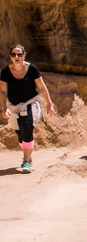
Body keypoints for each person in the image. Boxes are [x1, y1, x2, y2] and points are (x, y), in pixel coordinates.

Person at [0, 44, 55, 172]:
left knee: (28, 128)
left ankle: (25, 162)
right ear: (10, 57)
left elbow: (41, 87)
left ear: (24, 55)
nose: (16, 57)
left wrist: (49, 103)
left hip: (31, 102)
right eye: (13, 55)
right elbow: (2, 91)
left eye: (19, 54)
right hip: (13, 105)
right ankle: (28, 154)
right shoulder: (5, 72)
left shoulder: (32, 69)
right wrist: (4, 107)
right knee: (20, 134)